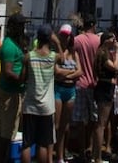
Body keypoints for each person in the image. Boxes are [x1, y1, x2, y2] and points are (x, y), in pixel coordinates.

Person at [0, 14, 28, 163]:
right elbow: (8, 71)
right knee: (7, 132)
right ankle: (0, 158)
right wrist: (23, 77)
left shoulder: (16, 44)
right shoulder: (10, 46)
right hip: (9, 93)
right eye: (20, 25)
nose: (23, 28)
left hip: (12, 92)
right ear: (12, 27)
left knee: (1, 130)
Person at [22, 26, 58, 163]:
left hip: (30, 104)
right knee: (43, 144)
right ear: (50, 38)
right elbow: (64, 59)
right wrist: (58, 43)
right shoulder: (53, 57)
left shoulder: (29, 56)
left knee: (27, 143)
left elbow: (22, 78)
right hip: (46, 107)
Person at [73, 17, 102, 163]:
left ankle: (81, 151)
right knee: (95, 120)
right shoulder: (98, 41)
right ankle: (91, 148)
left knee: (80, 121)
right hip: (95, 85)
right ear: (93, 25)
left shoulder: (77, 40)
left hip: (80, 83)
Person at [94, 31, 118, 163]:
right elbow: (115, 67)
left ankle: (96, 154)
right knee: (101, 124)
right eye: (112, 38)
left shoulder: (103, 52)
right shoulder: (103, 53)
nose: (115, 41)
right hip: (104, 89)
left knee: (102, 123)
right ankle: (97, 157)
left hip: (105, 87)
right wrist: (116, 53)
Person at [56, 24, 81, 163]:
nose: (65, 38)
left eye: (67, 35)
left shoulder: (74, 53)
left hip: (70, 90)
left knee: (65, 126)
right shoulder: (57, 53)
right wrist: (72, 73)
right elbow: (56, 72)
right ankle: (57, 154)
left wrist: (67, 75)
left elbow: (80, 71)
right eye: (63, 35)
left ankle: (62, 154)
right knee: (57, 125)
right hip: (59, 89)